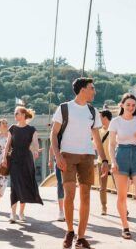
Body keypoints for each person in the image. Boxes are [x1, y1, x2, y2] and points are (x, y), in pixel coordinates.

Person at [50, 77, 109, 249]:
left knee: (85, 196)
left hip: (87, 157)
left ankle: (81, 237)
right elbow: (53, 134)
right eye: (92, 88)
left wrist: (104, 159)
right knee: (70, 195)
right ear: (83, 89)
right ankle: (69, 231)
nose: (94, 91)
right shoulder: (64, 108)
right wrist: (58, 156)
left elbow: (97, 139)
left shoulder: (92, 111)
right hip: (67, 155)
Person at [109, 93, 136, 244]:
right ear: (121, 105)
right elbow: (111, 144)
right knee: (122, 196)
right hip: (121, 155)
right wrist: (113, 161)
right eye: (128, 104)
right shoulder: (115, 122)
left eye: (133, 105)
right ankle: (125, 227)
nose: (131, 107)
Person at [1, 106, 43, 223]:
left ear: (23, 115)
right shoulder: (12, 128)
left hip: (26, 160)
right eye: (15, 113)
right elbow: (7, 145)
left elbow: (35, 143)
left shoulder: (32, 129)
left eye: (17, 113)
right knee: (14, 186)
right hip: (14, 160)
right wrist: (4, 158)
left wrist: (35, 150)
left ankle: (21, 212)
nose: (15, 115)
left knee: (24, 185)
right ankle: (13, 213)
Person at [97, 109, 115, 216]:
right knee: (102, 187)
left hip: (113, 162)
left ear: (104, 117)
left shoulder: (114, 130)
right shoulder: (99, 132)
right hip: (101, 162)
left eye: (100, 117)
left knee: (119, 186)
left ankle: (123, 208)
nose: (99, 119)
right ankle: (104, 207)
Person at [48, 141, 65, 221]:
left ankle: (68, 209)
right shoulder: (56, 130)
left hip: (70, 160)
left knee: (69, 185)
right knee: (60, 184)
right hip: (58, 161)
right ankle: (61, 211)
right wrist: (50, 160)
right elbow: (52, 146)